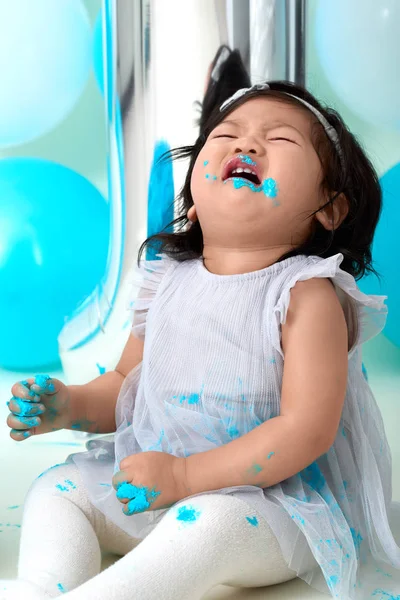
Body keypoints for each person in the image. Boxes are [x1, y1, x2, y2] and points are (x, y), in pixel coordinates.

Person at [2, 46, 400, 600]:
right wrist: (69, 405)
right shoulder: (167, 278)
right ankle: (43, 586)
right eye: (226, 135)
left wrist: (187, 479)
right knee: (58, 490)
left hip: (264, 505)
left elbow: (306, 429)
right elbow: (123, 386)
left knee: (208, 527)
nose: (247, 142)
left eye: (280, 139)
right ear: (193, 190)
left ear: (330, 208)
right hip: (152, 485)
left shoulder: (305, 294)